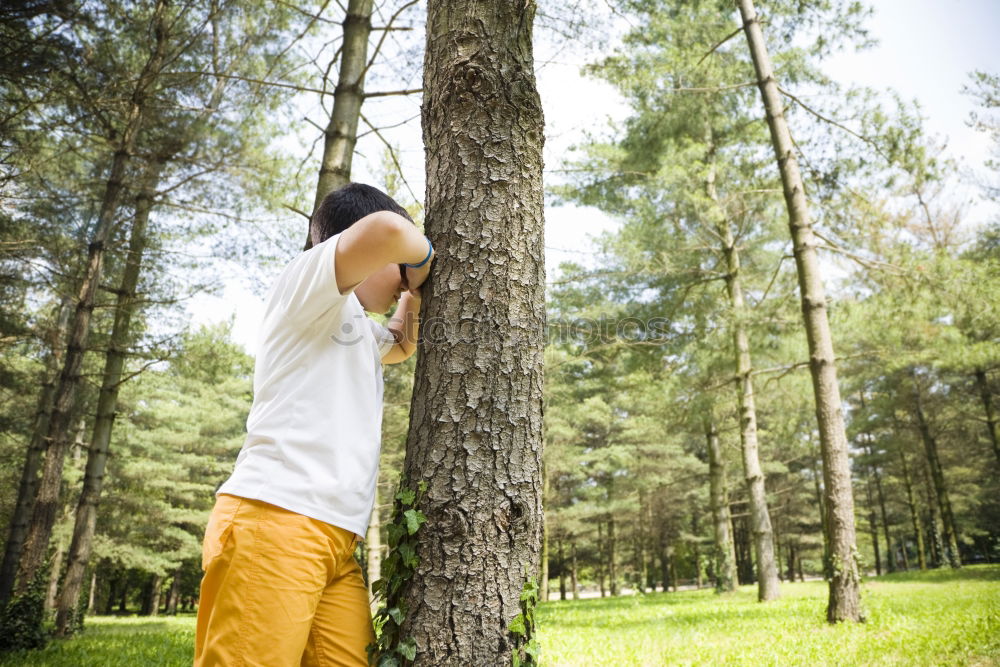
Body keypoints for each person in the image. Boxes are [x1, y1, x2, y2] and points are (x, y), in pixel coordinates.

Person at [194, 183, 434, 666]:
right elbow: (388, 230)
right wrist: (423, 258)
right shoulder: (305, 284)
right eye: (396, 268)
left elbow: (401, 346)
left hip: (336, 540)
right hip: (276, 519)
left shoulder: (357, 327)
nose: (399, 282)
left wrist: (412, 291)